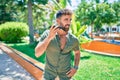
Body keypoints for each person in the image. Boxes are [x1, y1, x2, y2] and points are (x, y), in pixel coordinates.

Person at [35, 8, 81, 80]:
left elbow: (77, 53)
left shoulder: (74, 39)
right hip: (49, 76)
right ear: (58, 21)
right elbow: (37, 53)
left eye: (70, 20)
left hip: (66, 76)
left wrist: (75, 68)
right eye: (66, 19)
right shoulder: (47, 34)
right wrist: (49, 38)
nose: (69, 22)